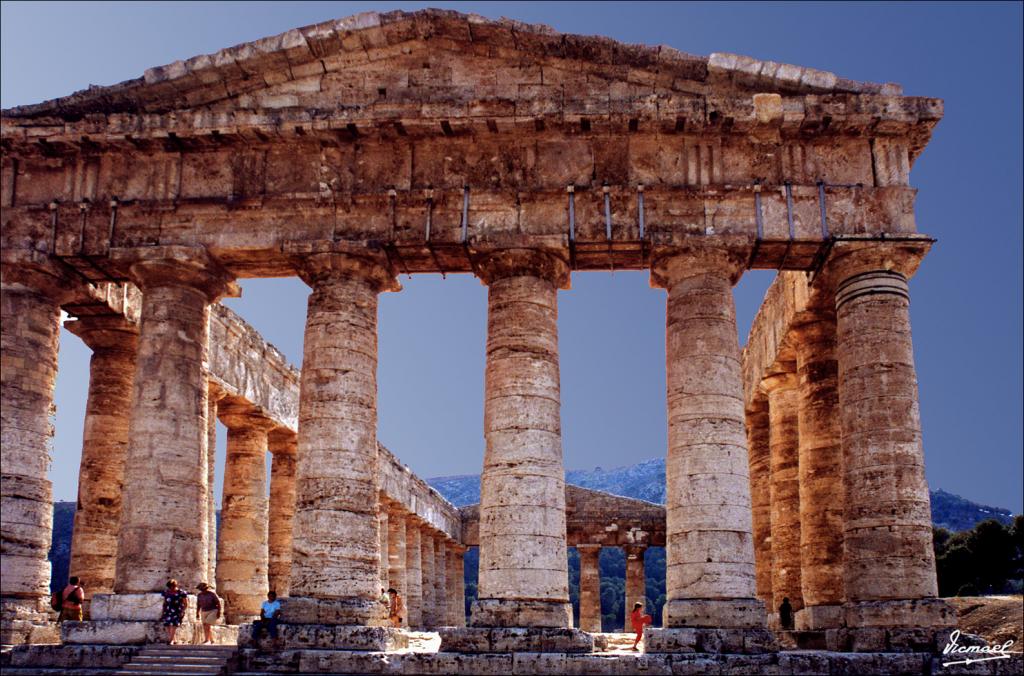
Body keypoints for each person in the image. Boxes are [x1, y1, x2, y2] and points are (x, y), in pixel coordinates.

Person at [160, 579, 189, 644]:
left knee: (174, 624)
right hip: (168, 610)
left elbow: (185, 603)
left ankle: (170, 640)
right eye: (169, 587)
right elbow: (165, 603)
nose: (171, 588)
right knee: (167, 624)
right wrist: (162, 612)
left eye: (172, 587)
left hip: (177, 611)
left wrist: (182, 611)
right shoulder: (166, 592)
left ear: (175, 586)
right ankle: (173, 639)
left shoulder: (181, 593)